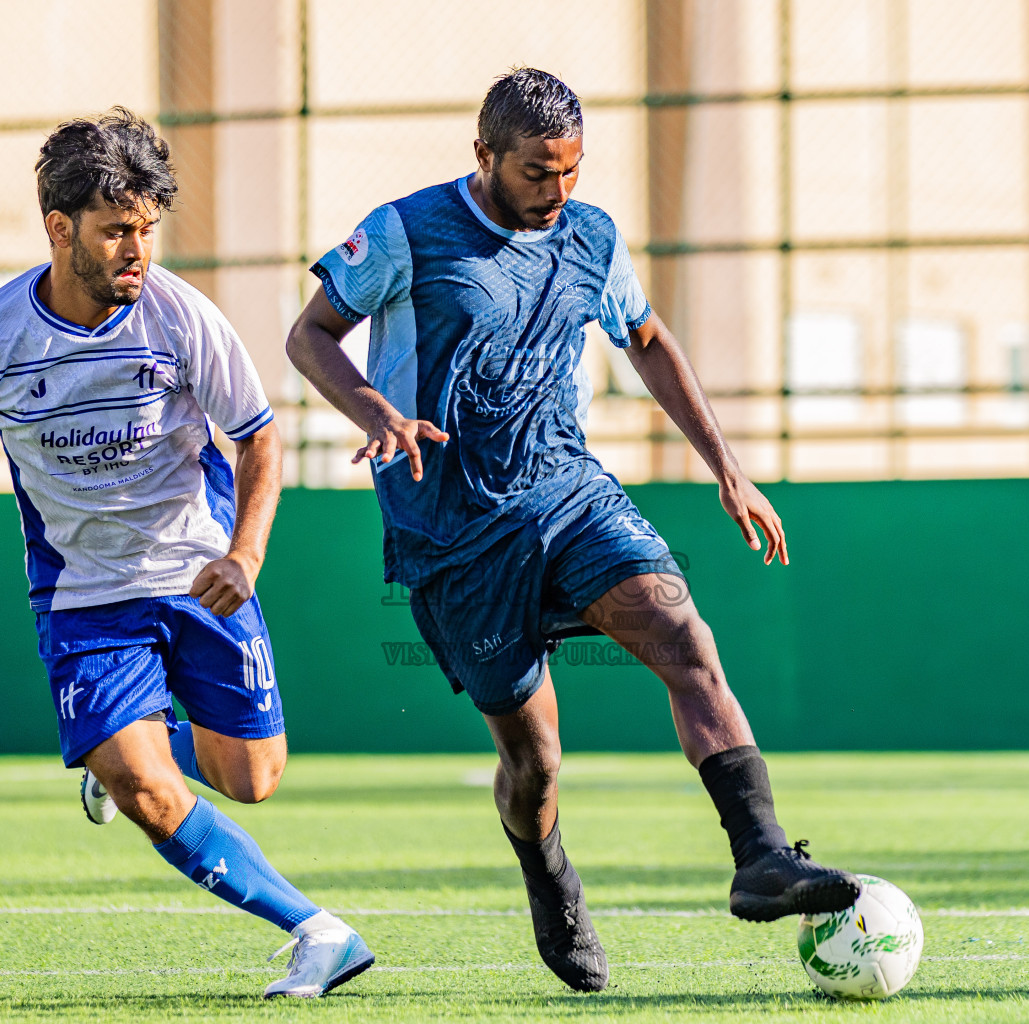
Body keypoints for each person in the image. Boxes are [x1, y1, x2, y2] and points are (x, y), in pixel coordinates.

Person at [287, 69, 861, 993]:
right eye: (535, 173)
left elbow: (645, 338)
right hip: (454, 533)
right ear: (483, 158)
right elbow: (310, 333)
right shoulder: (404, 230)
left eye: (571, 170)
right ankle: (548, 875)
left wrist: (728, 468)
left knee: (685, 638)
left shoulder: (591, 237)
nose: (557, 192)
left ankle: (760, 858)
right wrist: (373, 413)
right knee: (535, 759)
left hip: (570, 497)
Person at [0, 108, 372, 1000]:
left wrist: (246, 557)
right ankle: (317, 929)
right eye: (117, 230)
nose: (137, 250)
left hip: (199, 580)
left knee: (250, 778)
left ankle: (132, 748)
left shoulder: (183, 317)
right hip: (84, 602)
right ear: (59, 228)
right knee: (150, 792)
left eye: (147, 230)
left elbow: (258, 441)